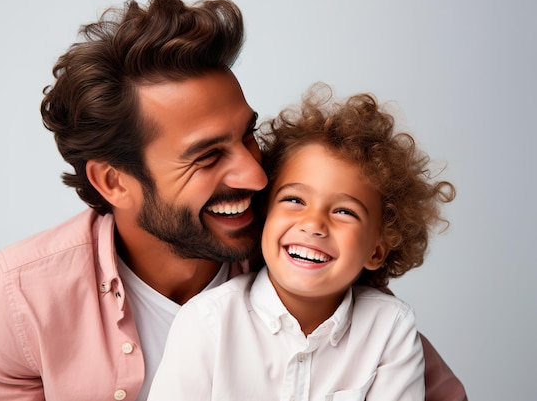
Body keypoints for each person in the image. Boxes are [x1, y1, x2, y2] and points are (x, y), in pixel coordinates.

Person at [0, 0, 466, 401]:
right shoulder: (21, 296)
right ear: (113, 182)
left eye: (246, 136)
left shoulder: (301, 255)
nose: (256, 176)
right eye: (207, 156)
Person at [147, 85, 457, 401]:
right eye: (294, 199)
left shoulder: (389, 328)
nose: (313, 225)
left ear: (376, 251)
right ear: (265, 214)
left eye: (344, 211)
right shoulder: (207, 323)